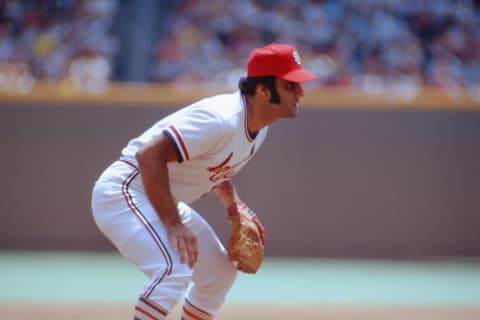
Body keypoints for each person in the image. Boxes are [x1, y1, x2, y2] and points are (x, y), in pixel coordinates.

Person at [91, 43, 317, 320]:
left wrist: (234, 206)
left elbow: (214, 168)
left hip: (158, 197)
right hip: (124, 191)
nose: (300, 92)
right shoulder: (221, 119)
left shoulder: (259, 125)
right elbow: (149, 155)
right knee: (174, 269)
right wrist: (174, 224)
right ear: (263, 89)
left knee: (218, 275)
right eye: (290, 85)